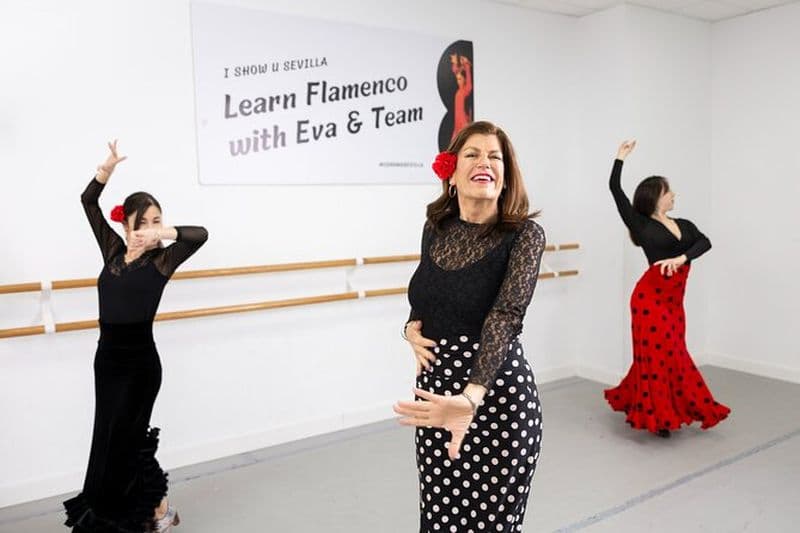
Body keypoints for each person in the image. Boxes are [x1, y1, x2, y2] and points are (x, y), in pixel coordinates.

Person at [394, 121, 545, 532]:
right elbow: (426, 296)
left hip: (495, 399)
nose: (485, 162)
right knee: (439, 520)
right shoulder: (436, 229)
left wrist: (471, 397)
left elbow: (506, 315)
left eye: (495, 156)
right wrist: (409, 330)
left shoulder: (524, 235)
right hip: (437, 399)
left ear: (506, 175)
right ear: (452, 170)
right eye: (473, 154)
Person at [64, 141, 208, 532]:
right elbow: (88, 202)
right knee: (107, 437)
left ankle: (157, 509)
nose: (151, 229)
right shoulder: (112, 251)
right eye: (143, 222)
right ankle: (120, 508)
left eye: (156, 221)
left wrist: (165, 232)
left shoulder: (162, 260)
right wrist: (106, 170)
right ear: (126, 225)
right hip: (106, 361)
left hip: (141, 365)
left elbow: (199, 235)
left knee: (128, 439)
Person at [604, 140, 730, 437]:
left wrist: (682, 257)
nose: (674, 195)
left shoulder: (684, 224)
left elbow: (705, 242)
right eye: (668, 191)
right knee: (660, 356)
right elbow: (615, 189)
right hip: (649, 300)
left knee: (669, 355)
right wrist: (620, 157)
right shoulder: (641, 225)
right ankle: (658, 416)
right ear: (656, 197)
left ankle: (656, 405)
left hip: (674, 302)